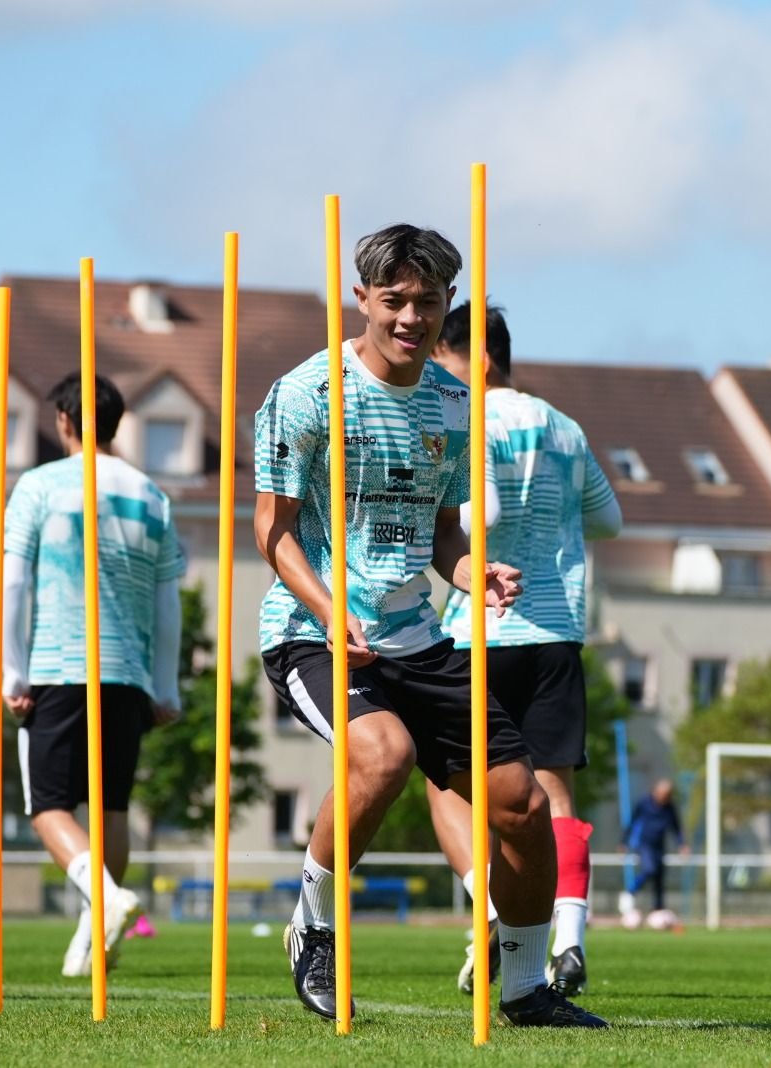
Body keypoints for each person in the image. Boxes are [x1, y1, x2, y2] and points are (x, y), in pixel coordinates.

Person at [256, 224, 605, 1029]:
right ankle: (313, 924)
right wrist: (327, 604)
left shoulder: (454, 403)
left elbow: (443, 533)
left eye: (428, 301)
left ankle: (522, 986)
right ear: (362, 299)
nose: (411, 317)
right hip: (314, 631)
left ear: (448, 304)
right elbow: (269, 532)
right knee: (384, 753)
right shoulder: (308, 392)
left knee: (522, 806)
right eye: (395, 301)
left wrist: (470, 571)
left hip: (419, 637)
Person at [424, 302, 621, 997]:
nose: (432, 376)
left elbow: (489, 515)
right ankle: (567, 937)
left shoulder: (466, 417)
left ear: (471, 359)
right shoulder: (564, 426)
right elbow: (609, 518)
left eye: (439, 363)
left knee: (444, 780)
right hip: (558, 629)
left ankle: (492, 901)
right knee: (554, 793)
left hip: (485, 625)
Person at [1, 373, 186, 979]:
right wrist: (166, 684)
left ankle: (105, 901)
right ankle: (90, 934)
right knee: (110, 809)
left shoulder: (41, 485)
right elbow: (169, 602)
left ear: (62, 420)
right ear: (118, 421)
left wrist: (12, 669)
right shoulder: (151, 494)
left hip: (58, 666)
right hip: (128, 673)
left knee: (48, 808)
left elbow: (16, 582)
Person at [618, 779, 687, 928]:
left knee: (659, 878)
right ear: (656, 791)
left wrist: (682, 844)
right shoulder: (644, 803)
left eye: (667, 794)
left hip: (659, 846)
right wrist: (624, 842)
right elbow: (632, 822)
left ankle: (658, 910)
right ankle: (630, 892)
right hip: (643, 844)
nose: (664, 797)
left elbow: (676, 826)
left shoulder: (669, 807)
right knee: (650, 869)